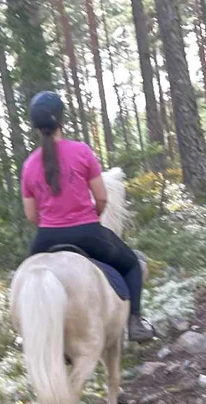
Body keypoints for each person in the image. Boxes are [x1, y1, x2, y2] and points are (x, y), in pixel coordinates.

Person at [20, 92, 156, 344]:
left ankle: (25, 334)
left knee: (28, 280)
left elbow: (31, 215)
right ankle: (135, 323)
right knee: (132, 265)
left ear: (36, 125)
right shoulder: (81, 151)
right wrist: (91, 218)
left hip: (46, 238)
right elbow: (102, 198)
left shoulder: (29, 165)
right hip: (87, 232)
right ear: (61, 119)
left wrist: (53, 223)